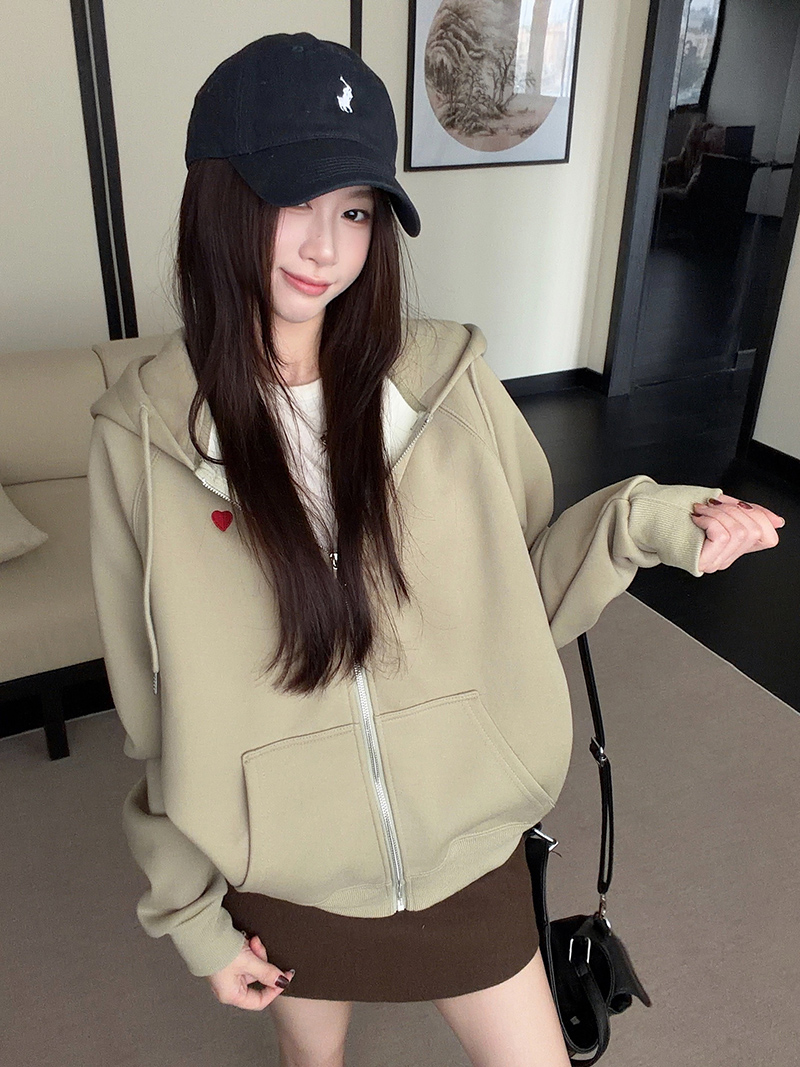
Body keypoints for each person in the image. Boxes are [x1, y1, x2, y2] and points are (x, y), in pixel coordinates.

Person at [87, 32, 784, 1067]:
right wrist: (194, 915)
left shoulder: (445, 382)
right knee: (311, 1060)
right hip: (286, 872)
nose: (325, 246)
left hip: (466, 850)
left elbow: (527, 591)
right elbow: (152, 705)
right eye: (294, 199)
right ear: (219, 198)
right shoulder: (140, 437)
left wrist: (642, 521)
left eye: (356, 211)